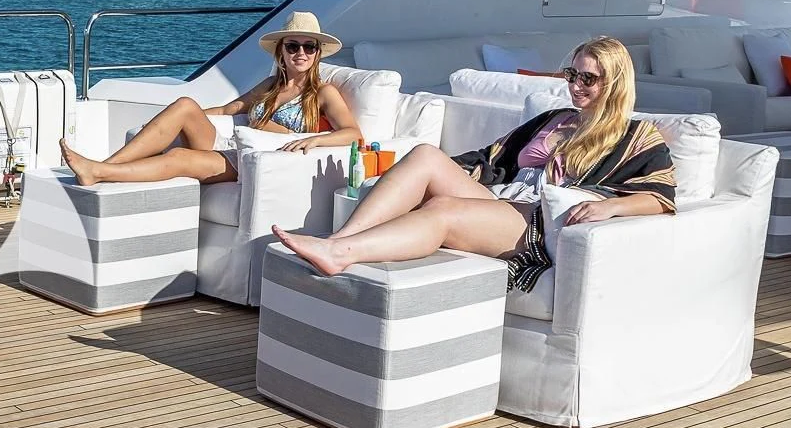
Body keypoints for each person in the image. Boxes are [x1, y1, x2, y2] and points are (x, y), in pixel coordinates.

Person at [273, 35, 675, 286]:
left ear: (614, 83)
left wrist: (610, 206)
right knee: (426, 155)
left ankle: (343, 255)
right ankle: (338, 241)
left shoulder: (637, 136)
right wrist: (427, 177)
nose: (575, 85)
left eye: (588, 78)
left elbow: (661, 197)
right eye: (572, 74)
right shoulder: (555, 118)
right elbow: (489, 159)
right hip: (504, 201)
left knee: (443, 209)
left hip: (538, 221)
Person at [59, 11, 360, 186]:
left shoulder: (322, 92)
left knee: (178, 158)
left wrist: (315, 139)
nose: (301, 53)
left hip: (258, 160)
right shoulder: (270, 84)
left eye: (309, 47)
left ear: (318, 53)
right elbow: (230, 109)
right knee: (185, 105)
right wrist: (180, 120)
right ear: (281, 51)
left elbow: (354, 135)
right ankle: (103, 167)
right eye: (293, 46)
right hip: (232, 144)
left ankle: (100, 172)